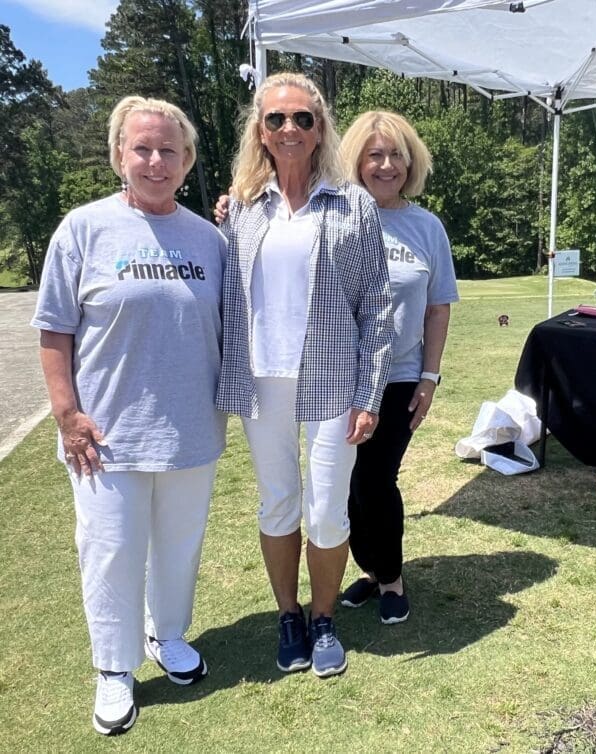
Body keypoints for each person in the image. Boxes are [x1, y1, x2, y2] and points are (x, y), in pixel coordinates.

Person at [31, 96, 226, 736]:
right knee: (111, 551)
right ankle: (114, 667)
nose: (155, 161)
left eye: (169, 150)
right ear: (119, 154)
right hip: (105, 436)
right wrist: (66, 414)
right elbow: (54, 330)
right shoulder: (83, 228)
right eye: (142, 148)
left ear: (187, 160)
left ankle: (167, 634)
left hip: (191, 429)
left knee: (178, 547)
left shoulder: (209, 239)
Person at [216, 73, 393, 678]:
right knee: (277, 504)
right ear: (260, 131)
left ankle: (323, 619)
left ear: (320, 129)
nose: (289, 128)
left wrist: (370, 395)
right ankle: (288, 615)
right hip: (261, 381)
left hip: (332, 381)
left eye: (302, 118)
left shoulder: (354, 204)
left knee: (327, 512)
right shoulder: (241, 208)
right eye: (276, 119)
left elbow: (377, 307)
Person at [336, 111, 459, 625]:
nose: (387, 165)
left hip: (401, 376)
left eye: (396, 156)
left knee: (375, 479)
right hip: (338, 378)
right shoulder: (336, 215)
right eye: (375, 155)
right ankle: (368, 569)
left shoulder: (426, 226)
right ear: (356, 161)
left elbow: (438, 308)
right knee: (345, 485)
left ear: (411, 163)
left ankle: (390, 578)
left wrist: (430, 377)